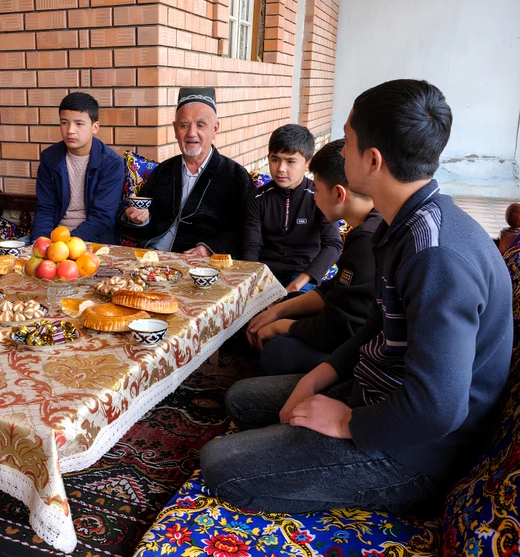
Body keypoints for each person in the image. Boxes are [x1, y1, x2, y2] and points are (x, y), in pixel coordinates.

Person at [201, 79, 512, 514]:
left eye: (345, 141)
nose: (339, 153)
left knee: (220, 465)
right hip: (379, 389)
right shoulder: (398, 223)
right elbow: (374, 329)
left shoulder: (435, 256)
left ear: (372, 159)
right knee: (242, 400)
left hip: (413, 447)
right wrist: (319, 377)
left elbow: (438, 409)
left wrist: (347, 421)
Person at [245, 139, 382, 374]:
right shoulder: (370, 222)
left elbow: (340, 327)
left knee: (277, 352)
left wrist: (282, 327)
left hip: (364, 348)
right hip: (276, 278)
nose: (314, 197)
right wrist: (277, 311)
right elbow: (336, 289)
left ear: (339, 194)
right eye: (275, 159)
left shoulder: (365, 240)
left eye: (316, 190)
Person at [121, 87, 252, 257]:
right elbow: (147, 222)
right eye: (184, 125)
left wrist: (209, 248)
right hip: (154, 258)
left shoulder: (235, 176)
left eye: (200, 125)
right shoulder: (163, 171)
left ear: (215, 128)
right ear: (175, 130)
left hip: (202, 266)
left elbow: (247, 230)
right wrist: (139, 219)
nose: (191, 133)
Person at [242, 124, 343, 293]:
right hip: (266, 274)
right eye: (275, 159)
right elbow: (251, 246)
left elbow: (333, 245)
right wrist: (252, 281)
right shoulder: (258, 197)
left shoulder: (318, 196)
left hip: (304, 275)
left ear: (307, 164)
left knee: (294, 312)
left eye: (290, 161)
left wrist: (299, 283)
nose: (281, 168)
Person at [31, 92, 124, 243]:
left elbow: (102, 217)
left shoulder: (111, 163)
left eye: (79, 124)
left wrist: (69, 243)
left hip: (94, 241)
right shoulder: (50, 159)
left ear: (95, 127)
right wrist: (40, 241)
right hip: (55, 238)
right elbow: (46, 208)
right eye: (64, 122)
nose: (70, 130)